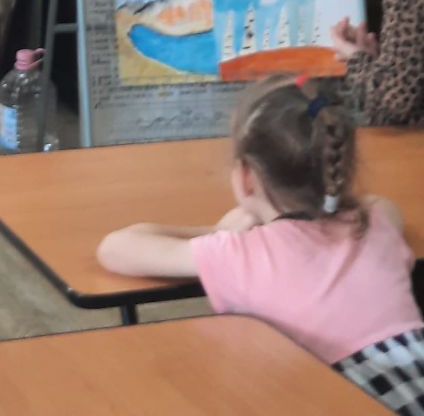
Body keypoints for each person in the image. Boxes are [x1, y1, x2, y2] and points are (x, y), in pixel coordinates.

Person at [97, 76, 424, 414]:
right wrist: (335, 204)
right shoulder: (373, 226)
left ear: (246, 177)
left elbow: (115, 248)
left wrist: (214, 231)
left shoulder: (241, 253)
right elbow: (384, 205)